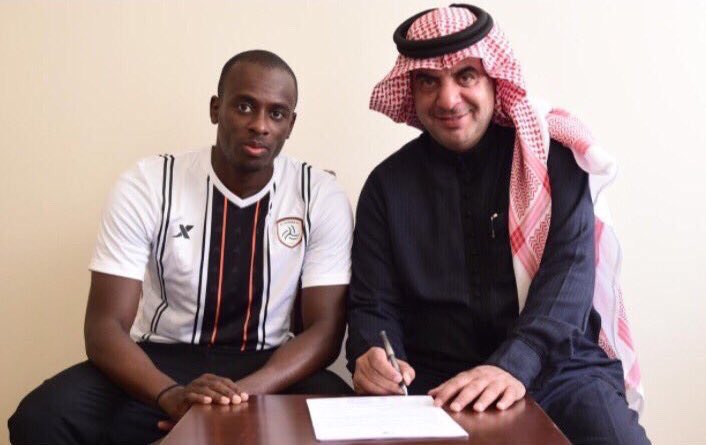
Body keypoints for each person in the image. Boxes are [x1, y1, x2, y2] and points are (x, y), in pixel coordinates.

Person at [9, 49, 353, 444]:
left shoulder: (319, 194)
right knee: (41, 418)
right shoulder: (149, 183)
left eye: (276, 114)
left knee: (347, 417)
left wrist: (238, 397)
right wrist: (171, 396)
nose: (260, 125)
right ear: (215, 109)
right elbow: (104, 327)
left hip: (268, 366)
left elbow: (326, 330)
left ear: (290, 124)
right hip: (159, 362)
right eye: (244, 106)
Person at [346, 5, 650, 444]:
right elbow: (374, 304)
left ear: (494, 80)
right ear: (410, 89)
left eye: (466, 76)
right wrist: (372, 352)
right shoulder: (386, 186)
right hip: (437, 383)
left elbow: (570, 278)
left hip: (556, 369)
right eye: (428, 81)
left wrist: (514, 364)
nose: (448, 99)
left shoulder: (551, 160)